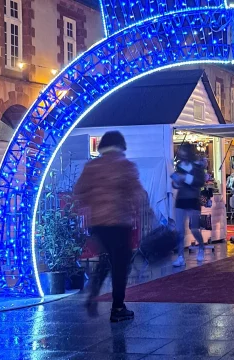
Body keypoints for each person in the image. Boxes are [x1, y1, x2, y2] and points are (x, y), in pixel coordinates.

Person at [74, 131, 144, 323]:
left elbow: (78, 190)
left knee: (106, 259)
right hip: (120, 221)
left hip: (97, 223)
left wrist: (89, 207)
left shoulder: (91, 166)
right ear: (121, 145)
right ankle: (118, 308)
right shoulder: (125, 166)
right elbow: (137, 192)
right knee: (120, 265)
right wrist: (142, 211)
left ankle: (93, 293)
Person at [171, 142, 207, 267]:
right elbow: (175, 184)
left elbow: (200, 182)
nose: (181, 154)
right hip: (181, 199)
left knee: (194, 228)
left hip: (193, 199)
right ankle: (180, 256)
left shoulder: (197, 167)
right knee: (179, 230)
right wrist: (176, 182)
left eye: (183, 151)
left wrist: (185, 178)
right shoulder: (179, 166)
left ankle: (201, 246)